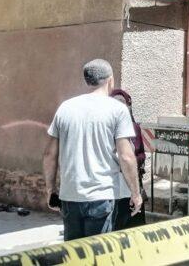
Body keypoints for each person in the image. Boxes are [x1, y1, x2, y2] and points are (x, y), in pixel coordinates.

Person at [43, 59, 142, 240]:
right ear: (110, 80)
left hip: (70, 195)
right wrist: (135, 193)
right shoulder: (117, 110)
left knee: (75, 252)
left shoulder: (65, 108)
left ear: (87, 81)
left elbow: (50, 155)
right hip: (102, 196)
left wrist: (51, 190)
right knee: (99, 251)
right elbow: (126, 156)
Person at [110, 89, 147, 229]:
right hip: (112, 183)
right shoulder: (105, 126)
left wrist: (134, 163)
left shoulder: (134, 127)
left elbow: (140, 153)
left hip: (130, 181)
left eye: (122, 103)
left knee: (132, 222)